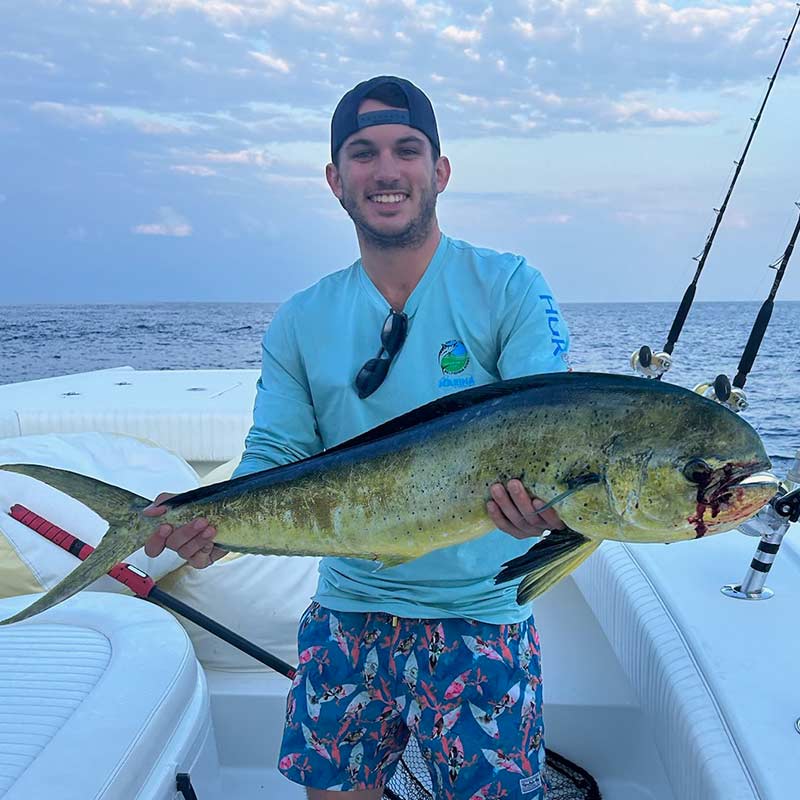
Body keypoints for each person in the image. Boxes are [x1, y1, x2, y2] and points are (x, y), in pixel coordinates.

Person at [144, 75, 570, 800]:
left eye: (407, 149)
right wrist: (210, 521)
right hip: (346, 613)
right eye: (363, 153)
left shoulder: (509, 287)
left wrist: (554, 508)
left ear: (440, 171)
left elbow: (548, 430)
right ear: (335, 179)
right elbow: (277, 457)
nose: (386, 170)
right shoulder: (302, 318)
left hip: (479, 616)